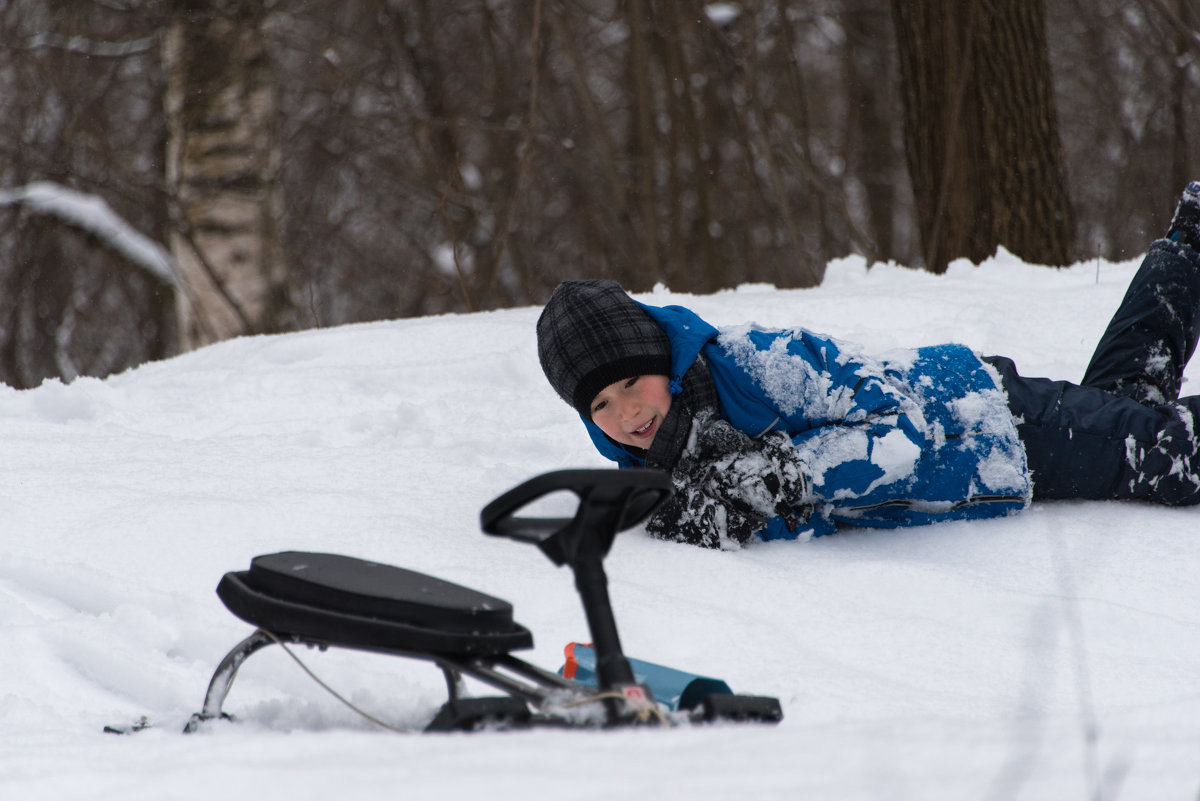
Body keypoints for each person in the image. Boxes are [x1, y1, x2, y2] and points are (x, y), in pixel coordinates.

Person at [535, 183, 1200, 549]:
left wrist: (790, 474)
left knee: (1166, 456)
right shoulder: (651, 461)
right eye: (598, 406)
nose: (625, 412)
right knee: (1128, 406)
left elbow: (902, 430)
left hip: (992, 425)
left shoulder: (758, 363)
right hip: (982, 446)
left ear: (662, 360)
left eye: (629, 383)